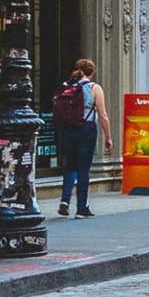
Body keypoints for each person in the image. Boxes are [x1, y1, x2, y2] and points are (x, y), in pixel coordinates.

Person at [55, 57, 111, 218]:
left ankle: (65, 200)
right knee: (83, 168)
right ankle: (82, 208)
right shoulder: (94, 88)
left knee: (70, 166)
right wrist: (108, 136)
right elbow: (103, 115)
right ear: (92, 72)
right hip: (86, 129)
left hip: (67, 130)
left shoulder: (68, 86)